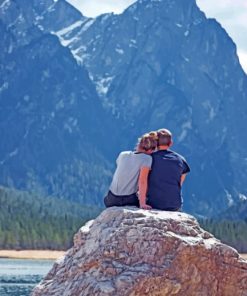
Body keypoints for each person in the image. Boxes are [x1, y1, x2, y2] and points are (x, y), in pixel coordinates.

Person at [104, 132, 158, 209]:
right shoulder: (147, 159)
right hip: (128, 199)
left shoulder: (123, 154)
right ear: (151, 150)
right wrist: (142, 203)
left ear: (139, 144)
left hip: (111, 199)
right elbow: (142, 181)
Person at [147, 128, 190, 211]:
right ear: (170, 143)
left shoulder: (149, 159)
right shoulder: (181, 160)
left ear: (155, 143)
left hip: (153, 203)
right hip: (174, 204)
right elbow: (179, 183)